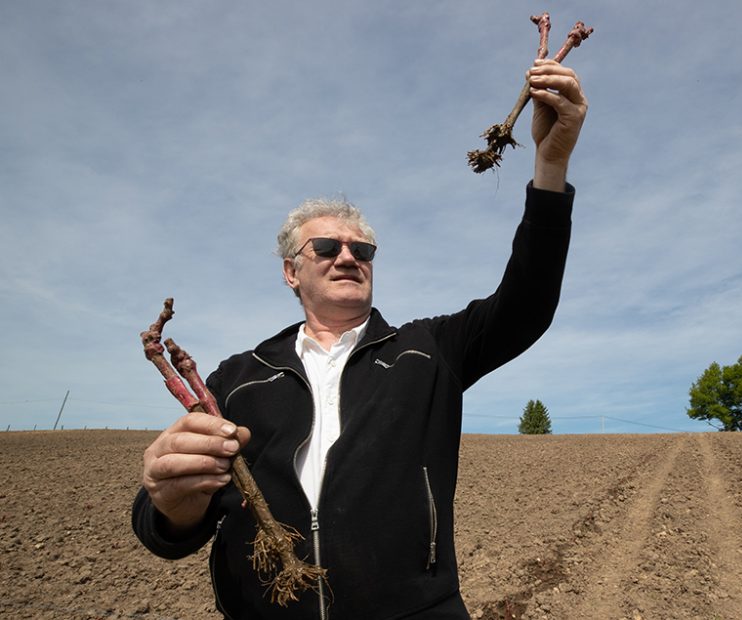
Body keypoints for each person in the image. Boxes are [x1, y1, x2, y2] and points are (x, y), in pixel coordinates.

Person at [132, 59, 587, 619]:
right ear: (290, 271)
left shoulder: (429, 351)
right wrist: (173, 505)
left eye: (362, 249)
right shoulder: (239, 376)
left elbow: (528, 303)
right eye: (326, 248)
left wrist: (551, 160)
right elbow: (170, 525)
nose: (348, 255)